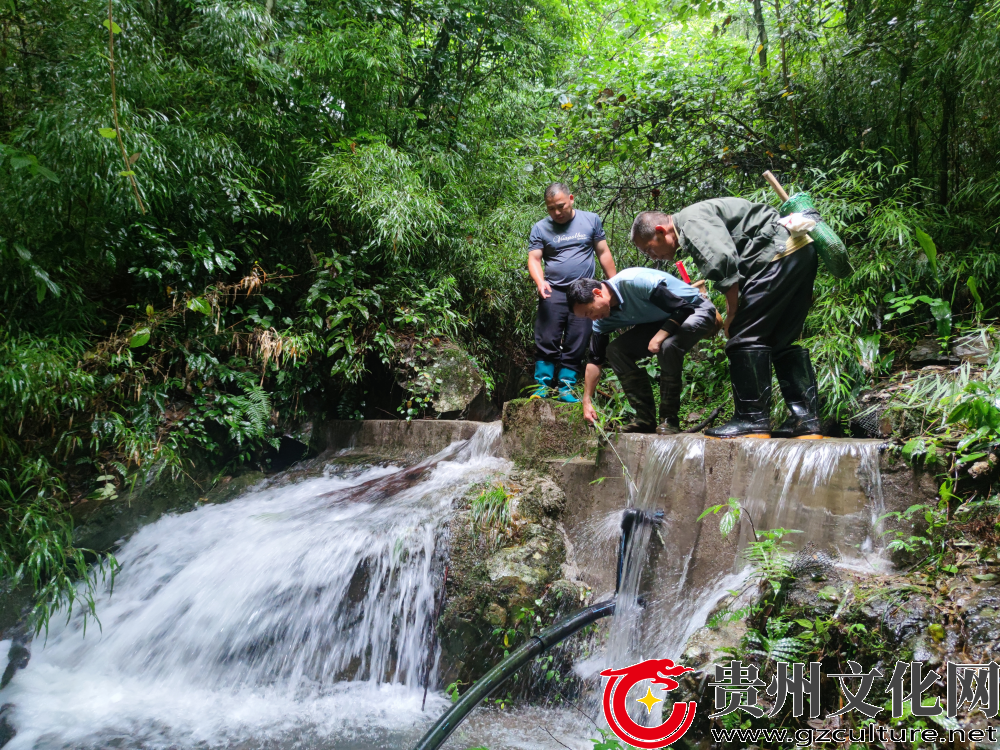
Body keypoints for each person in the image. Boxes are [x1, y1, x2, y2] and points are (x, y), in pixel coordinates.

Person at [628, 198, 821, 439]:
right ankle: (804, 421)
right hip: (799, 250)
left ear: (660, 231)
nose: (652, 256)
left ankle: (752, 420)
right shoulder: (693, 217)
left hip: (776, 255)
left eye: (649, 248)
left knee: (743, 336)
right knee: (779, 339)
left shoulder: (690, 222)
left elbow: (723, 261)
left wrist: (732, 313)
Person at [568, 267, 719, 434]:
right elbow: (595, 361)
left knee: (668, 345)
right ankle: (644, 419)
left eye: (590, 312)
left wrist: (660, 336)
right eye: (587, 317)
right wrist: (586, 400)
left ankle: (669, 420)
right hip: (664, 321)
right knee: (616, 350)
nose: (592, 318)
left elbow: (683, 308)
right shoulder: (602, 320)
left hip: (696, 308)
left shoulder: (634, 282)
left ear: (597, 293)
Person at [528, 183, 617, 402]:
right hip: (554, 289)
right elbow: (534, 258)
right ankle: (542, 386)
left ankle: (566, 387)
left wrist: (614, 284)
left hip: (584, 293)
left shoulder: (591, 220)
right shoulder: (540, 228)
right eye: (551, 208)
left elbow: (603, 252)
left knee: (578, 338)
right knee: (547, 337)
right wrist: (540, 282)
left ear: (571, 198)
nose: (556, 212)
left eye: (560, 206)